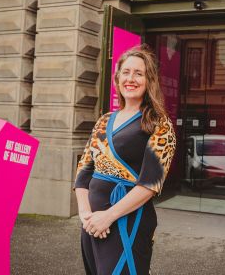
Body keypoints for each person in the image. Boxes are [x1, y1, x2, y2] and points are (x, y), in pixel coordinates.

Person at [74, 45, 176, 275]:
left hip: (128, 220)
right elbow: (83, 172)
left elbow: (150, 184)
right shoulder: (104, 120)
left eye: (138, 73)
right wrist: (86, 215)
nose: (131, 78)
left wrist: (108, 217)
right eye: (126, 72)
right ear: (117, 78)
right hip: (92, 221)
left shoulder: (159, 124)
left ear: (149, 80)